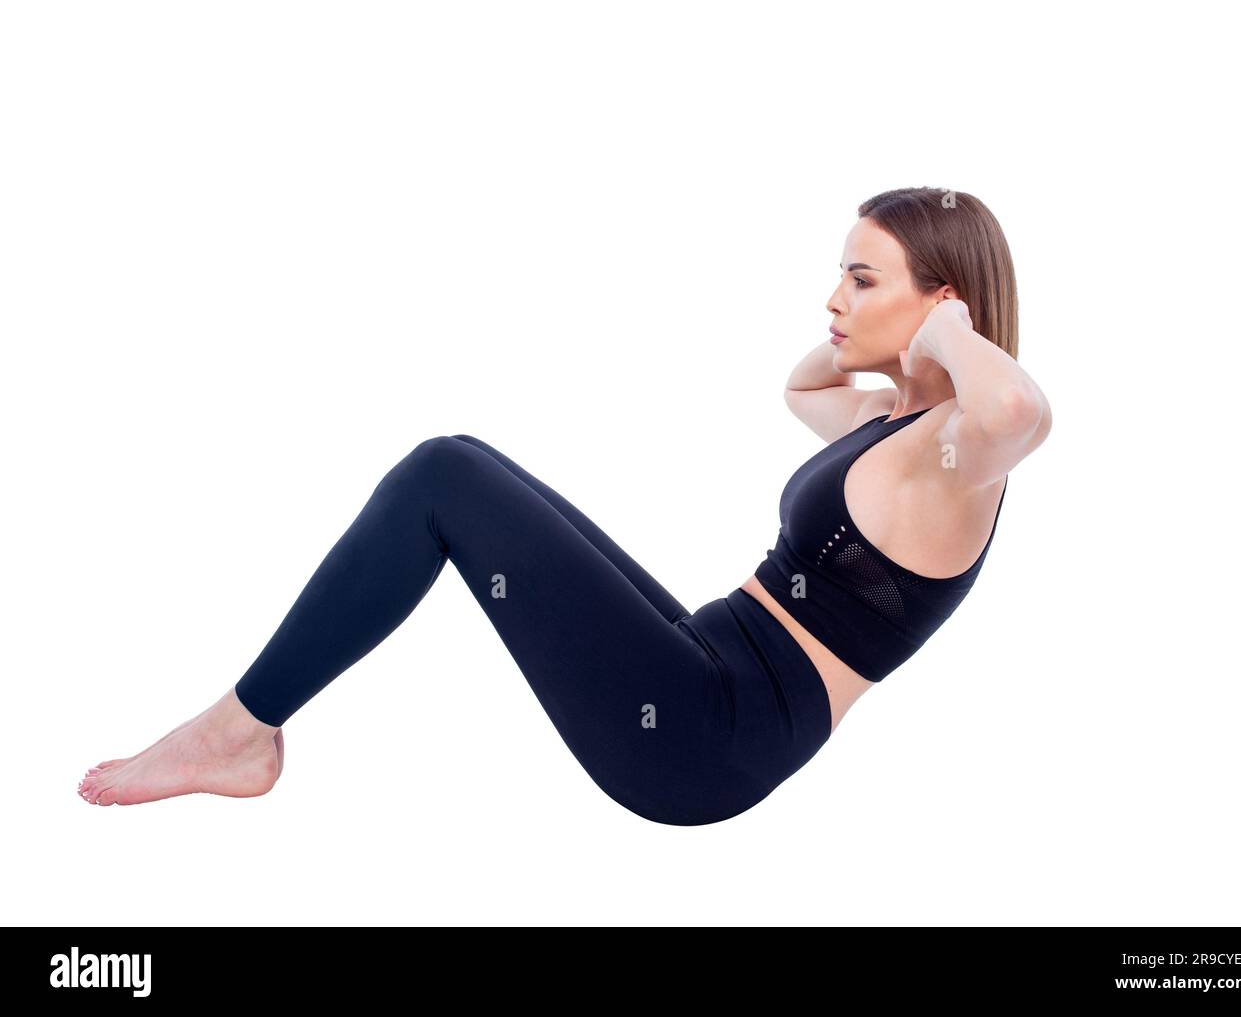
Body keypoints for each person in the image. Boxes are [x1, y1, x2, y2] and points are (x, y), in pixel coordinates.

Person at [76, 186, 1051, 825]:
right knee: (463, 458)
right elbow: (801, 388)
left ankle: (238, 729)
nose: (833, 296)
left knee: (438, 478)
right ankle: (242, 726)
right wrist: (901, 341)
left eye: (861, 275)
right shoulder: (896, 417)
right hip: (708, 662)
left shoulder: (956, 453)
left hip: (701, 736)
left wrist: (948, 332)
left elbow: (1016, 404)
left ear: (942, 300)